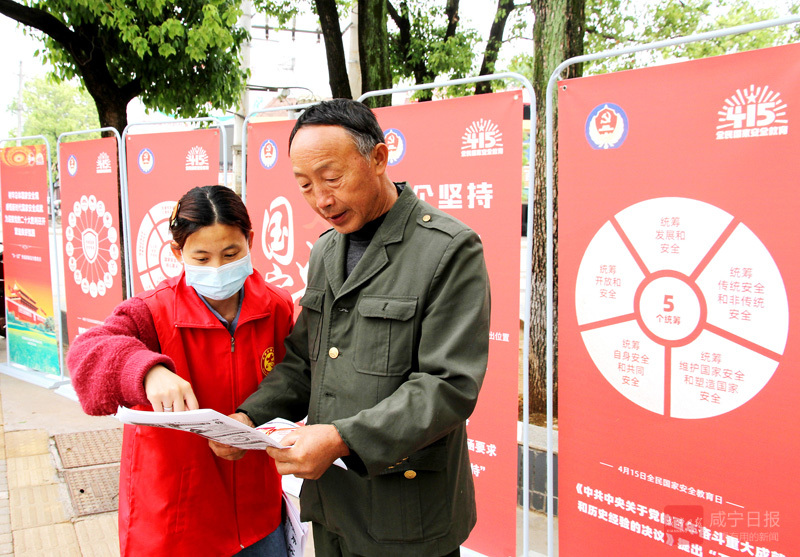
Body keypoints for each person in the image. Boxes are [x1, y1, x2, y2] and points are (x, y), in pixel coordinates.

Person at [212, 99, 491, 557]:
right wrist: (248, 417)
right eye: (305, 185)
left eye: (332, 178)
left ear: (379, 158)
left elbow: (448, 387)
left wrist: (342, 438)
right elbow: (305, 362)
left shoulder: (448, 249)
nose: (321, 200)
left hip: (407, 512)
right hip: (334, 506)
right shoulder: (326, 251)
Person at [67, 185, 294, 557]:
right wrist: (145, 370)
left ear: (250, 241)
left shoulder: (276, 307)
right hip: (178, 517)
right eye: (201, 257)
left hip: (258, 514)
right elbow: (86, 354)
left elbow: (294, 380)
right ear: (178, 252)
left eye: (231, 253)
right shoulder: (152, 311)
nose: (217, 269)